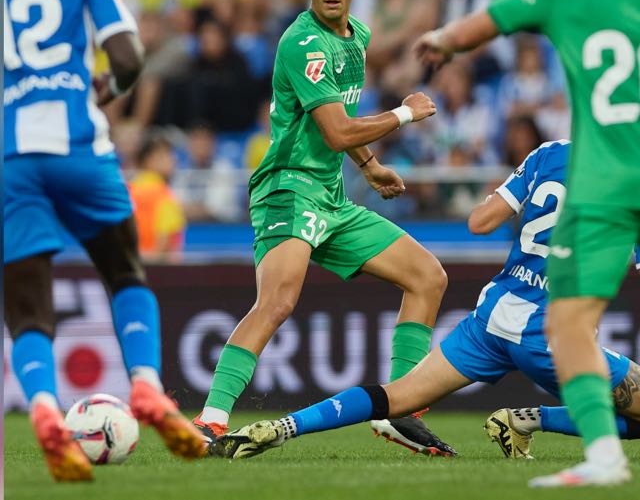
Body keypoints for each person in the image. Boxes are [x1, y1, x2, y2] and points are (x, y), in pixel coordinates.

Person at [411, 0, 640, 486]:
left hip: (608, 171)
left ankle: (603, 458)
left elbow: (489, 20)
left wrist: (444, 40)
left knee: (568, 322)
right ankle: (600, 456)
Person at [208, 141, 640, 464]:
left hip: (492, 318)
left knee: (394, 397)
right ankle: (530, 419)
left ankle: (280, 427)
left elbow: (479, 221)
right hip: (553, 331)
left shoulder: (550, 153)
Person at [193, 0, 453, 457]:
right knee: (279, 301)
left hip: (331, 196)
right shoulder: (302, 42)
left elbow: (341, 121)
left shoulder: (357, 35)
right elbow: (335, 132)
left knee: (428, 277)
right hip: (288, 187)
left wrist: (371, 165)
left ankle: (400, 411)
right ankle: (211, 420)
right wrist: (405, 113)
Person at [3, 0, 204, 482]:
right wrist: (107, 91)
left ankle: (43, 407)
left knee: (28, 309)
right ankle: (145, 385)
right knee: (124, 272)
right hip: (80, 143)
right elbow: (128, 58)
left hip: (14, 155)